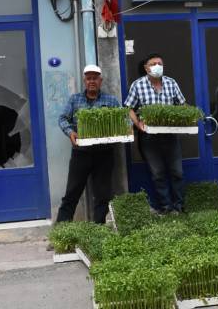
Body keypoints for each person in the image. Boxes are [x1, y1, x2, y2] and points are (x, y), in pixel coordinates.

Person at [56, 64, 121, 224]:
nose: (92, 81)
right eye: (89, 78)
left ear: (101, 81)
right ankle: (62, 231)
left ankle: (97, 231)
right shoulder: (75, 99)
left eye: (95, 78)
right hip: (81, 153)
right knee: (72, 192)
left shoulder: (111, 100)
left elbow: (123, 119)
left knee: (103, 194)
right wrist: (71, 132)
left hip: (104, 153)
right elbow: (63, 118)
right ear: (84, 81)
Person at [125, 53, 187, 214]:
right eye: (153, 64)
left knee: (177, 172)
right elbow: (129, 108)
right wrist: (138, 124)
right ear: (146, 67)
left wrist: (183, 118)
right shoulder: (137, 85)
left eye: (159, 63)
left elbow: (182, 104)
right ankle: (166, 206)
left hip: (170, 136)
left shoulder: (171, 83)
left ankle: (179, 206)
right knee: (158, 173)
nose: (157, 66)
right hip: (149, 138)